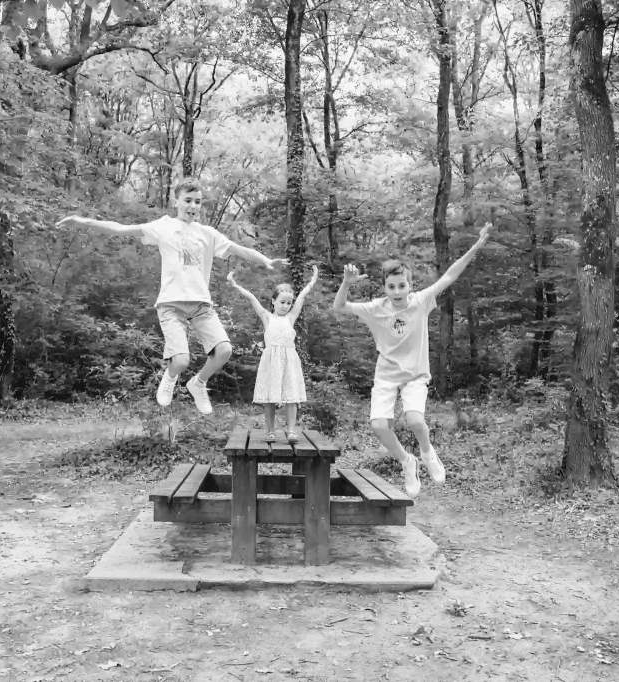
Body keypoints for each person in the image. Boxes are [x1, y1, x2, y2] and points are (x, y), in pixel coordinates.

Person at [56, 178, 286, 415]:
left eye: (198, 202)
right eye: (188, 200)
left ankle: (198, 384)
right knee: (181, 361)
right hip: (170, 304)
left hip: (201, 305)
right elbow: (120, 228)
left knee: (225, 350)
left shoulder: (208, 233)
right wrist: (82, 221)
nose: (193, 206)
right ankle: (170, 377)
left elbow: (240, 249)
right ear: (177, 201)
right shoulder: (164, 226)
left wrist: (265, 259)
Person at [333, 224, 492, 497]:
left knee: (415, 420)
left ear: (410, 285)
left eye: (402, 286)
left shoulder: (420, 301)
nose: (397, 291)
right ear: (384, 287)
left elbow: (450, 275)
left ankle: (428, 454)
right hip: (386, 375)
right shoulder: (375, 309)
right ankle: (408, 461)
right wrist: (347, 283)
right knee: (378, 426)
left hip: (416, 375)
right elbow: (339, 307)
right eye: (391, 287)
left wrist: (475, 247)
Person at [227, 265, 318, 442]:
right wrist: (234, 284)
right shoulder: (267, 317)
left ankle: (291, 430)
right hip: (270, 361)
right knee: (269, 397)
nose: (285, 306)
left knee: (291, 396)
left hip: (289, 360)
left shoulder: (290, 318)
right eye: (282, 302)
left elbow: (302, 296)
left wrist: (313, 280)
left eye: (288, 303)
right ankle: (270, 430)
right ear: (273, 301)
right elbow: (251, 298)